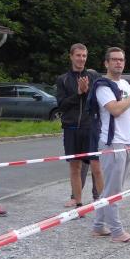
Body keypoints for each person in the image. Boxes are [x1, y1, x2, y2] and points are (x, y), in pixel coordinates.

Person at [90, 47, 130, 243]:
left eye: (121, 60)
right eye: (114, 59)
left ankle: (98, 226)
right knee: (114, 191)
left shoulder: (125, 83)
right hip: (113, 143)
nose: (118, 63)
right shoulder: (102, 86)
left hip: (126, 142)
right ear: (106, 63)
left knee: (111, 189)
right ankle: (117, 232)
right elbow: (115, 110)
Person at [55, 43, 102, 208]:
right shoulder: (63, 79)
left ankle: (99, 199)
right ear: (71, 56)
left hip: (90, 127)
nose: (81, 59)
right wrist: (79, 93)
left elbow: (98, 101)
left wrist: (87, 91)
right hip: (71, 128)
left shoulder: (94, 76)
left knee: (96, 165)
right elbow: (61, 105)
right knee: (75, 166)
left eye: (84, 56)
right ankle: (78, 201)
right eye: (78, 55)